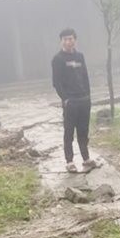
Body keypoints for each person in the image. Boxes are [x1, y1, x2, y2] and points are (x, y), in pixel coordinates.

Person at [51, 28, 99, 173]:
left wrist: (88, 95)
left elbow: (85, 77)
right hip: (70, 101)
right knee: (69, 131)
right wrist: (65, 99)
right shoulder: (58, 59)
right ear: (61, 41)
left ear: (75, 40)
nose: (68, 41)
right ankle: (69, 161)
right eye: (65, 39)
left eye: (70, 39)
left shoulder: (80, 56)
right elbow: (56, 83)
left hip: (84, 99)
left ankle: (86, 158)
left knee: (83, 130)